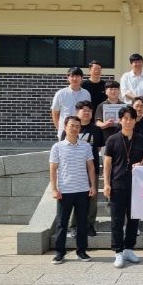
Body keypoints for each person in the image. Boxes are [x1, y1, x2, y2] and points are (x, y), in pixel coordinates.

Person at [103, 105, 143, 268]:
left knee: (133, 219)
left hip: (136, 186)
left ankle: (129, 249)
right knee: (117, 221)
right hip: (117, 185)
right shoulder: (112, 139)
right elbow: (107, 163)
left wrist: (141, 163)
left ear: (135, 120)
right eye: (125, 118)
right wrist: (106, 184)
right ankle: (118, 252)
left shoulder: (141, 139)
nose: (128, 121)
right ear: (120, 120)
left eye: (131, 118)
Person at [49, 116, 97, 264]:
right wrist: (54, 189)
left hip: (83, 190)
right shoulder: (57, 147)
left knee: (82, 223)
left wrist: (93, 186)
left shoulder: (86, 146)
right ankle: (59, 252)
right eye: (72, 125)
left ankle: (81, 251)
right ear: (65, 127)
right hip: (65, 191)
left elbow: (91, 167)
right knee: (62, 223)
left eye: (77, 126)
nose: (75, 128)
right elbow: (53, 169)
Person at [60, 100, 104, 238]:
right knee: (74, 198)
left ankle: (89, 225)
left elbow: (98, 148)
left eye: (89, 111)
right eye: (84, 110)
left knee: (92, 199)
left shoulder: (96, 130)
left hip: (91, 169)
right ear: (77, 111)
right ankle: (74, 226)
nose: (87, 113)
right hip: (73, 171)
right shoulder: (68, 130)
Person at [51, 66, 91, 137]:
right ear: (68, 78)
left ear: (81, 78)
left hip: (82, 131)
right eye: (72, 76)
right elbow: (55, 113)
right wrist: (59, 128)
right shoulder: (61, 93)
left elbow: (88, 112)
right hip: (65, 131)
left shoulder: (86, 94)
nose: (75, 79)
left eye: (77, 76)